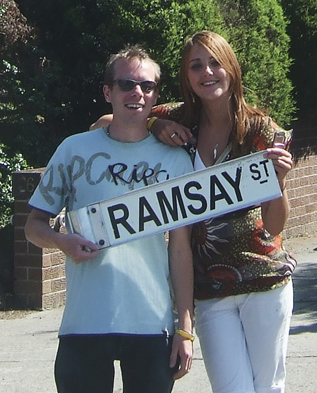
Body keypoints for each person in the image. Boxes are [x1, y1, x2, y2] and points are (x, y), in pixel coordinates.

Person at [98, 30, 297, 393]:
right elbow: (103, 124)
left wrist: (279, 183)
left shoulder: (261, 130)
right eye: (196, 66)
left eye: (215, 63)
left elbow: (274, 226)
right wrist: (155, 123)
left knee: (268, 388)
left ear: (231, 68)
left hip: (264, 281)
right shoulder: (179, 119)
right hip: (209, 290)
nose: (207, 72)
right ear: (186, 76)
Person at [26, 46, 196, 393]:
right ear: (108, 92)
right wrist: (61, 241)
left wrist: (185, 328)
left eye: (147, 86)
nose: (137, 93)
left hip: (151, 322)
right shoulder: (74, 150)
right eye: (126, 84)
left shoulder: (176, 161)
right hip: (85, 322)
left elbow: (180, 249)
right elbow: (33, 226)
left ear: (155, 96)